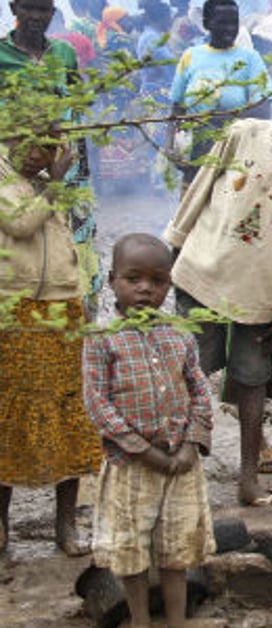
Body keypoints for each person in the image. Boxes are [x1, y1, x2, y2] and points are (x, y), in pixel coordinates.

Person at [163, 70, 272, 506]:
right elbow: (200, 187)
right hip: (202, 273)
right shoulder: (241, 134)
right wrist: (174, 244)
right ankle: (176, 467)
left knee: (252, 382)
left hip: (259, 297)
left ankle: (248, 477)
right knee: (187, 373)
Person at [84, 235, 215, 628]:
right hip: (132, 466)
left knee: (177, 549)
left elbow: (200, 391)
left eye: (157, 281)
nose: (145, 288)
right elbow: (98, 405)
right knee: (130, 549)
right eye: (133, 278)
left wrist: (191, 443)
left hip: (180, 465)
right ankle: (140, 619)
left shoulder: (180, 336)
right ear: (112, 281)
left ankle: (176, 619)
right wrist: (145, 451)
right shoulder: (101, 340)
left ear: (169, 285)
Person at [0, 133, 100, 556]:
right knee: (10, 413)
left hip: (62, 307)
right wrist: (57, 181)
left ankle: (66, 525)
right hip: (17, 309)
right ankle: (1, 524)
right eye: (35, 143)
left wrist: (85, 292)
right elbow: (19, 224)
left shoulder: (48, 181)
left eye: (51, 144)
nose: (43, 154)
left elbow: (77, 244)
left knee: (68, 411)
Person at [0, 0, 101, 322]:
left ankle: (77, 296)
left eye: (43, 9)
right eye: (28, 7)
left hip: (63, 156)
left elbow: (73, 105)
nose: (35, 16)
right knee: (21, 227)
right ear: (14, 8)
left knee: (71, 227)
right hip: (16, 160)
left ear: (53, 14)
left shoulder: (64, 53)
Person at [165, 0, 272, 188]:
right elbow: (177, 106)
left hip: (236, 153)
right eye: (223, 22)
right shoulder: (191, 56)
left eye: (234, 23)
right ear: (207, 23)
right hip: (196, 154)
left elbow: (262, 109)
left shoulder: (250, 58)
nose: (230, 29)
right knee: (193, 212)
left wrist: (224, 125)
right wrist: (171, 145)